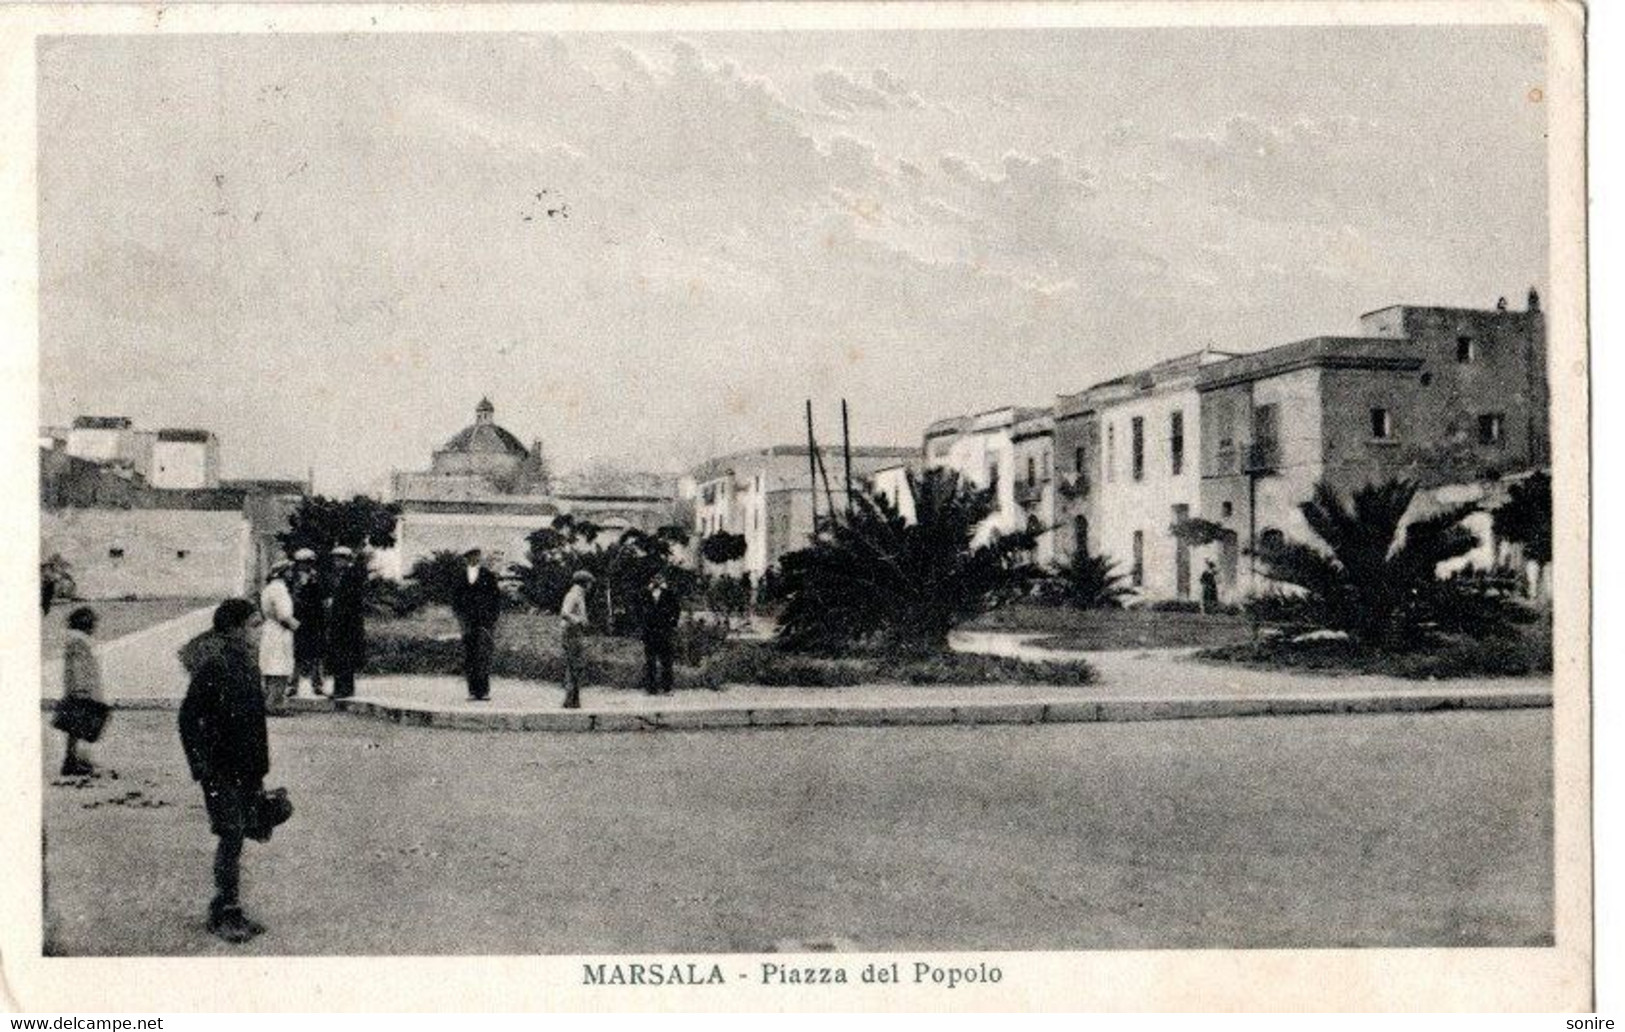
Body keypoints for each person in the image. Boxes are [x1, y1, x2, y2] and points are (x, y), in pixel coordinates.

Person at [177, 598, 270, 944]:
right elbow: (188, 718)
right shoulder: (214, 665)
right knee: (230, 836)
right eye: (255, 625)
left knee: (239, 834)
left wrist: (260, 770)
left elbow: (255, 724)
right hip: (220, 770)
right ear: (234, 629)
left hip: (246, 768)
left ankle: (227, 906)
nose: (260, 632)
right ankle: (225, 911)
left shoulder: (247, 664)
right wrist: (201, 767)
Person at [58, 606, 106, 776]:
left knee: (75, 728)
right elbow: (80, 667)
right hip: (82, 691)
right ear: (85, 624)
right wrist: (82, 690)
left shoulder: (74, 640)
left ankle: (72, 760)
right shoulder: (80, 641)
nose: (94, 626)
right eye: (92, 623)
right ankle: (75, 761)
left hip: (76, 689)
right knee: (81, 728)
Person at [451, 548, 502, 702]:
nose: (475, 558)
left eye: (477, 555)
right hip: (467, 622)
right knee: (470, 656)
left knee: (483, 655)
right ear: (466, 558)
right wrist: (461, 618)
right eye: (471, 556)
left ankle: (484, 691)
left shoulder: (488, 575)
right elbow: (455, 600)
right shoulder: (460, 576)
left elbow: (496, 599)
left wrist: (492, 619)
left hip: (484, 622)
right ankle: (472, 691)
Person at [257, 560, 299, 715]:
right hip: (279, 631)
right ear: (282, 572)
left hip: (269, 630)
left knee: (270, 668)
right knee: (280, 669)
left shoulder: (268, 589)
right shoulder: (280, 590)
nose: (291, 573)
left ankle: (269, 702)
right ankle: (275, 705)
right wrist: (298, 627)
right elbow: (284, 615)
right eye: (289, 570)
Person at [325, 546, 367, 700]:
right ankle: (340, 687)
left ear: (346, 559)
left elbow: (351, 601)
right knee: (339, 655)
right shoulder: (341, 575)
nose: (336, 562)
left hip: (348, 623)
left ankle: (345, 688)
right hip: (340, 622)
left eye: (339, 558)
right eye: (335, 559)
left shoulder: (352, 575)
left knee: (345, 655)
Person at [290, 548, 327, 698]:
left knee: (315, 655)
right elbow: (292, 600)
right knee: (297, 655)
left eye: (309, 562)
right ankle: (292, 685)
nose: (307, 565)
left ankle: (317, 684)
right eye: (303, 563)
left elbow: (320, 600)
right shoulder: (292, 580)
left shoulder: (316, 578)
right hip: (298, 620)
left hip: (313, 621)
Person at [639, 572, 681, 696]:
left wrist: (672, 623)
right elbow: (639, 608)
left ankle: (667, 688)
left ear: (663, 579)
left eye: (660, 578)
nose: (657, 580)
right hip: (650, 631)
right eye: (655, 578)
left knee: (666, 661)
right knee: (650, 661)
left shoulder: (669, 593)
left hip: (665, 631)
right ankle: (651, 688)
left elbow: (676, 609)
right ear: (651, 579)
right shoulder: (645, 593)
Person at [559, 570, 593, 710]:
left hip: (574, 633)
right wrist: (579, 621)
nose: (591, 586)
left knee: (575, 667)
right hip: (572, 633)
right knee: (574, 666)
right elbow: (565, 613)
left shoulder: (578, 594)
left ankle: (572, 700)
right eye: (589, 583)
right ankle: (571, 699)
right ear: (585, 583)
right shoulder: (573, 595)